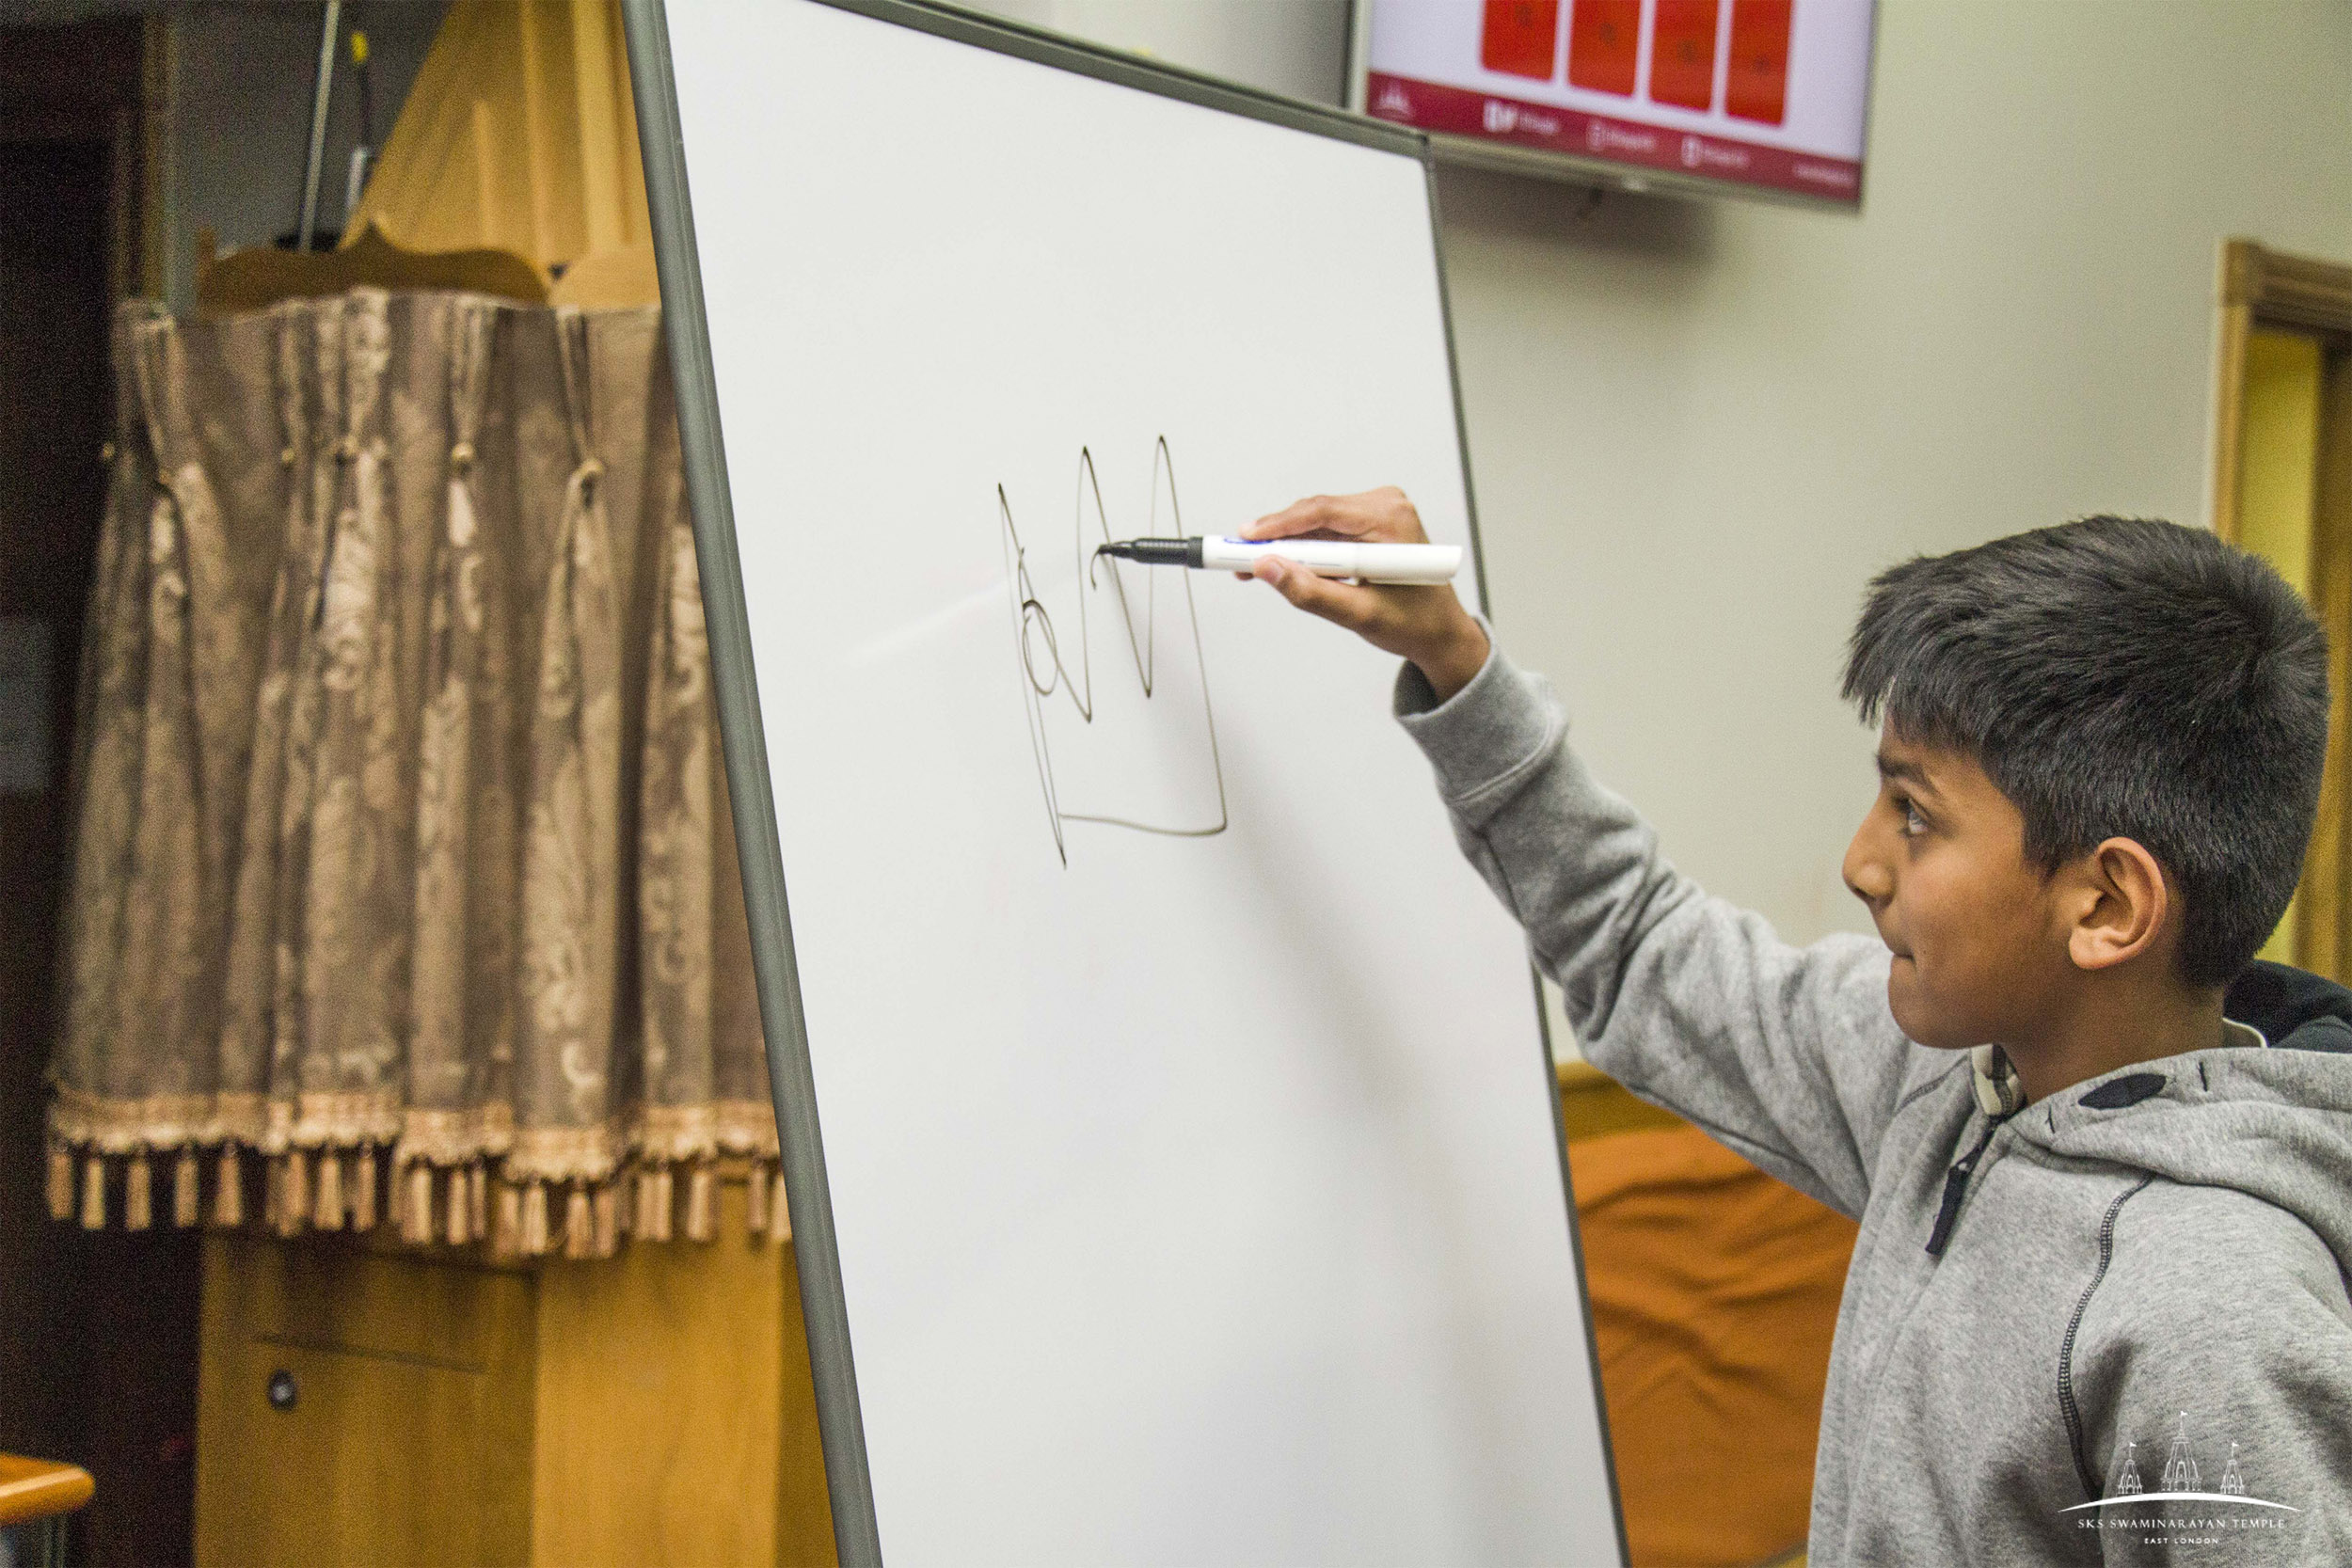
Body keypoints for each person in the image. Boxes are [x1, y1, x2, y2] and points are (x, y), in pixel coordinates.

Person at [1240, 491, 2352, 1563]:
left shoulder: (2213, 1318)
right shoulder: (1940, 1079)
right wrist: (1454, 657)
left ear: (2105, 905)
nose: (1860, 860)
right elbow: (1640, 944)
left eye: (1914, 814)